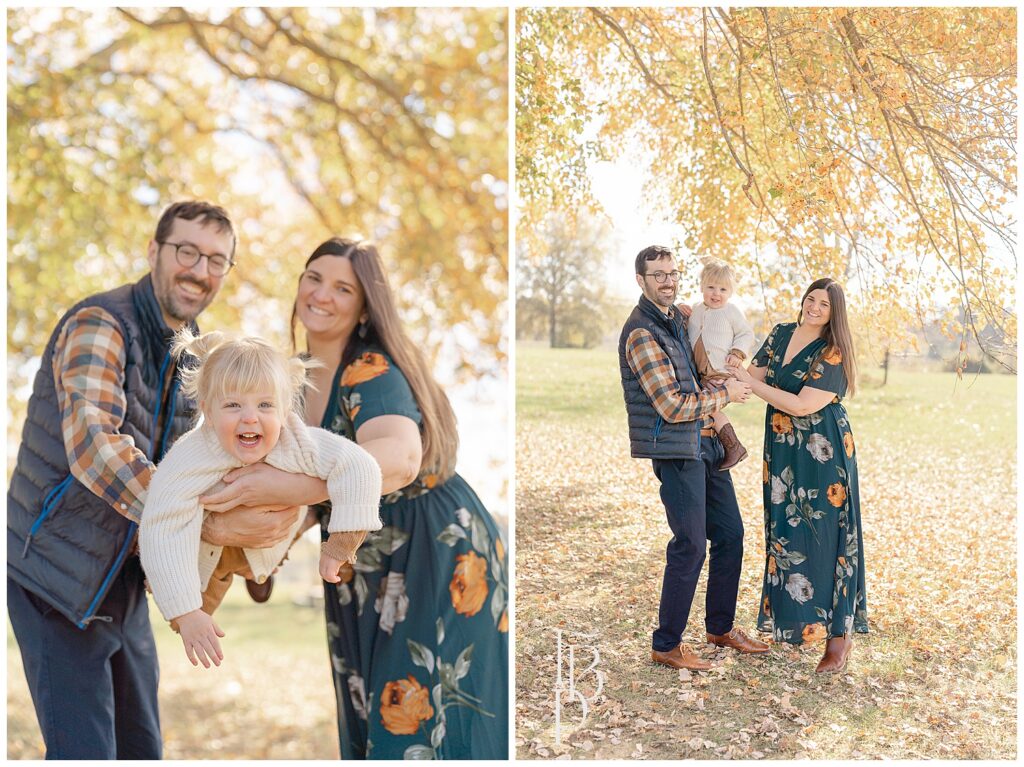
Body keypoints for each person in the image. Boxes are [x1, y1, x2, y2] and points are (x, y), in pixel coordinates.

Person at [7, 201, 302, 759]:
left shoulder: (197, 353)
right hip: (57, 577)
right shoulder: (102, 323)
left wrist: (270, 518)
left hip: (126, 577)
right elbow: (95, 446)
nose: (200, 270)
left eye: (217, 259)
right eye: (186, 251)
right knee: (85, 753)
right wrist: (209, 519)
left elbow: (210, 456)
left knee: (141, 749)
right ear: (154, 252)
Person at [199, 238, 509, 759]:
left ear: (365, 305)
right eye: (313, 277)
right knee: (370, 718)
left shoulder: (371, 369)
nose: (322, 294)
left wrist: (299, 491)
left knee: (418, 732)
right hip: (355, 564)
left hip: (431, 552)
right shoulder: (289, 380)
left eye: (343, 287)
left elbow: (399, 458)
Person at [139, 330, 382, 669]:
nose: (250, 417)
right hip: (215, 553)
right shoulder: (190, 458)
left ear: (285, 411)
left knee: (298, 514)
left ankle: (262, 574)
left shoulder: (298, 440)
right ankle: (205, 599)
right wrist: (186, 611)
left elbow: (359, 466)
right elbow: (162, 522)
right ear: (207, 411)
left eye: (265, 405)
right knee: (193, 605)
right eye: (233, 405)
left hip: (276, 534)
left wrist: (340, 545)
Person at [618, 245, 768, 672]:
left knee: (731, 535)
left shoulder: (678, 319)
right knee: (689, 545)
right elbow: (670, 404)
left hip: (704, 443)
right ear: (641, 281)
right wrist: (726, 394)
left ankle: (720, 627)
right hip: (675, 449)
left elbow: (715, 331)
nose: (667, 281)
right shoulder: (642, 333)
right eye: (657, 275)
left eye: (672, 273)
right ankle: (666, 644)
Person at [727, 278, 866, 673]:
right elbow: (749, 374)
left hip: (823, 450)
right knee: (787, 531)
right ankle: (798, 624)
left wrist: (752, 383)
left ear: (834, 312)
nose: (814, 307)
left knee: (826, 533)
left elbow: (803, 405)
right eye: (811, 299)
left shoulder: (833, 351)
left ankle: (839, 637)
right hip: (784, 446)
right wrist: (721, 360)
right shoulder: (782, 333)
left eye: (824, 303)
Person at [684, 257, 755, 470]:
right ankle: (718, 446)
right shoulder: (697, 309)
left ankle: (734, 446)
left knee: (709, 405)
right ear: (701, 287)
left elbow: (746, 333)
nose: (716, 294)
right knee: (703, 405)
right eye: (711, 287)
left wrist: (737, 353)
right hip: (703, 373)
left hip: (722, 372)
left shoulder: (730, 311)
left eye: (723, 289)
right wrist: (681, 310)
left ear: (730, 292)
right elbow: (690, 328)